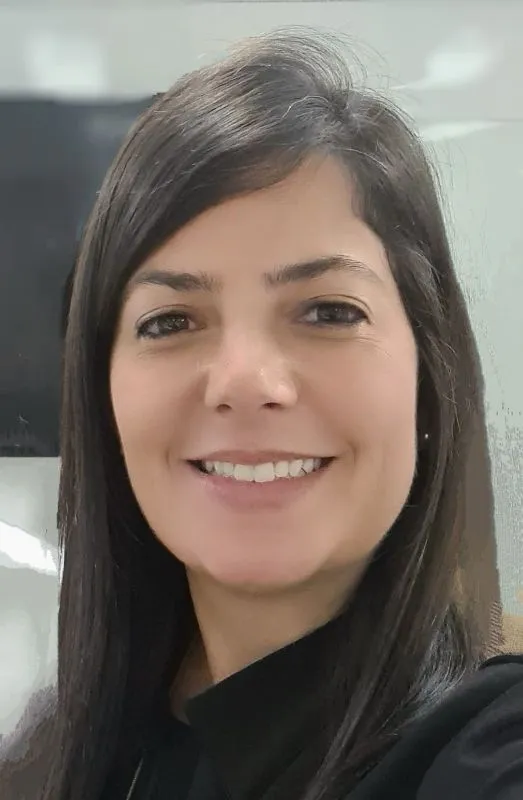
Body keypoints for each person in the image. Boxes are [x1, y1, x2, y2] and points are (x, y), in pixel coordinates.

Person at [1, 28, 522, 800]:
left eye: (328, 311)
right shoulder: (56, 759)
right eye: (170, 321)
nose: (244, 382)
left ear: (427, 378)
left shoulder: (485, 756)